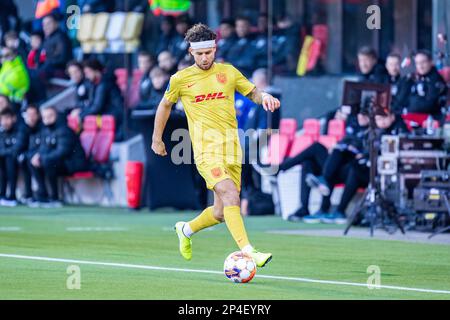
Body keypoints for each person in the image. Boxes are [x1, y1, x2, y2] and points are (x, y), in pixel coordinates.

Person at [152, 23, 280, 267]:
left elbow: (252, 92)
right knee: (231, 195)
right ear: (191, 52)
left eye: (208, 53)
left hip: (232, 149)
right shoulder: (180, 79)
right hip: (205, 151)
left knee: (221, 212)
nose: (204, 58)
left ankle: (186, 230)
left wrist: (265, 97)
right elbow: (165, 105)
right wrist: (157, 138)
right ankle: (248, 251)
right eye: (199, 54)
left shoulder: (228, 72)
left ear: (215, 49)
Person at [29, 106, 88, 207]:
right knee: (32, 160)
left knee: (48, 162)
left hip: (73, 163)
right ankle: (42, 195)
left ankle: (55, 198)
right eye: (45, 117)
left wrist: (43, 158)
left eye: (50, 116)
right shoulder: (46, 130)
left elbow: (62, 152)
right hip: (61, 163)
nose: (47, 119)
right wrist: (38, 157)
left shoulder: (64, 130)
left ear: (56, 115)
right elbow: (43, 148)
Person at [81, 59, 124, 140]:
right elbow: (92, 104)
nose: (86, 76)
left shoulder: (104, 84)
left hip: (115, 117)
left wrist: (81, 115)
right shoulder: (95, 84)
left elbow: (97, 107)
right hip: (107, 114)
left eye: (88, 72)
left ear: (96, 71)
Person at [400, 50, 448, 118]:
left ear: (431, 62)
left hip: (431, 120)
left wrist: (409, 106)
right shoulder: (413, 78)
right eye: (417, 63)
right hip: (411, 117)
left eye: (423, 62)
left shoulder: (435, 79)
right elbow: (401, 99)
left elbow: (431, 104)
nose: (420, 66)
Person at [0, 107, 26, 206]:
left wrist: (6, 152)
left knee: (10, 159)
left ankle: (12, 195)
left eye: (7, 118)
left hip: (19, 158)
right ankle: (2, 194)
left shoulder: (21, 130)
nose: (5, 122)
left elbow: (18, 147)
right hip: (5, 158)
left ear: (13, 118)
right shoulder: (1, 132)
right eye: (2, 119)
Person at [20, 104, 43, 205]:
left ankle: (41, 194)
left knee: (31, 160)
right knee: (21, 159)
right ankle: (28, 193)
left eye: (33, 114)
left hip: (41, 155)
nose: (31, 117)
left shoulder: (43, 127)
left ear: (38, 115)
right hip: (30, 155)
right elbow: (21, 144)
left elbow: (43, 145)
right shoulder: (24, 127)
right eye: (29, 114)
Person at [39, 13, 73, 80]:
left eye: (48, 24)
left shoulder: (61, 37)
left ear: (56, 24)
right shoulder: (47, 39)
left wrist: (46, 61)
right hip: (48, 69)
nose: (46, 27)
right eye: (44, 25)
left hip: (60, 70)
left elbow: (62, 59)